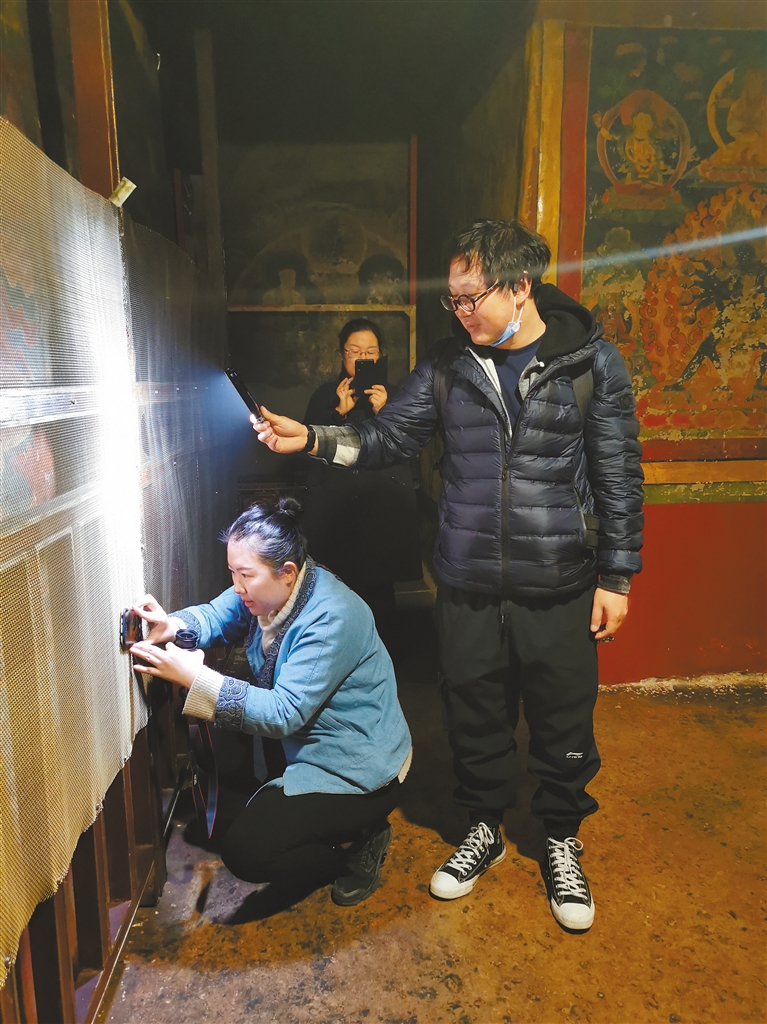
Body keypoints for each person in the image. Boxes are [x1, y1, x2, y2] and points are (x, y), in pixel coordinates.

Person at [253, 220, 644, 932]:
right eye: (452, 299)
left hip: (559, 581)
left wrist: (616, 576)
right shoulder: (446, 366)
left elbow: (617, 473)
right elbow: (385, 439)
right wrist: (310, 438)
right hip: (466, 581)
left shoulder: (591, 363)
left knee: (562, 718)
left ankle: (560, 838)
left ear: (520, 287)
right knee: (473, 714)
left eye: (472, 297)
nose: (460, 312)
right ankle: (483, 828)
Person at [130, 497, 412, 908]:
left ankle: (357, 848)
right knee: (214, 750)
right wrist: (172, 624)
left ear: (288, 571)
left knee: (247, 852)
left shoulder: (332, 616)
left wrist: (196, 678)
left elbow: (284, 713)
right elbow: (217, 615)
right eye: (232, 572)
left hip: (357, 766)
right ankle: (302, 815)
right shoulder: (272, 590)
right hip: (306, 740)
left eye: (245, 574)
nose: (237, 586)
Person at [301, 318, 421, 641]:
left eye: (371, 352)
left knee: (381, 591)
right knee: (338, 588)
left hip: (382, 509)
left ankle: (385, 657)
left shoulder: (397, 395)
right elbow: (309, 448)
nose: (363, 358)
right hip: (338, 510)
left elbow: (409, 446)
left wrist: (386, 412)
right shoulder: (324, 395)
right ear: (343, 354)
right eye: (355, 351)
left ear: (380, 356)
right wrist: (338, 413)